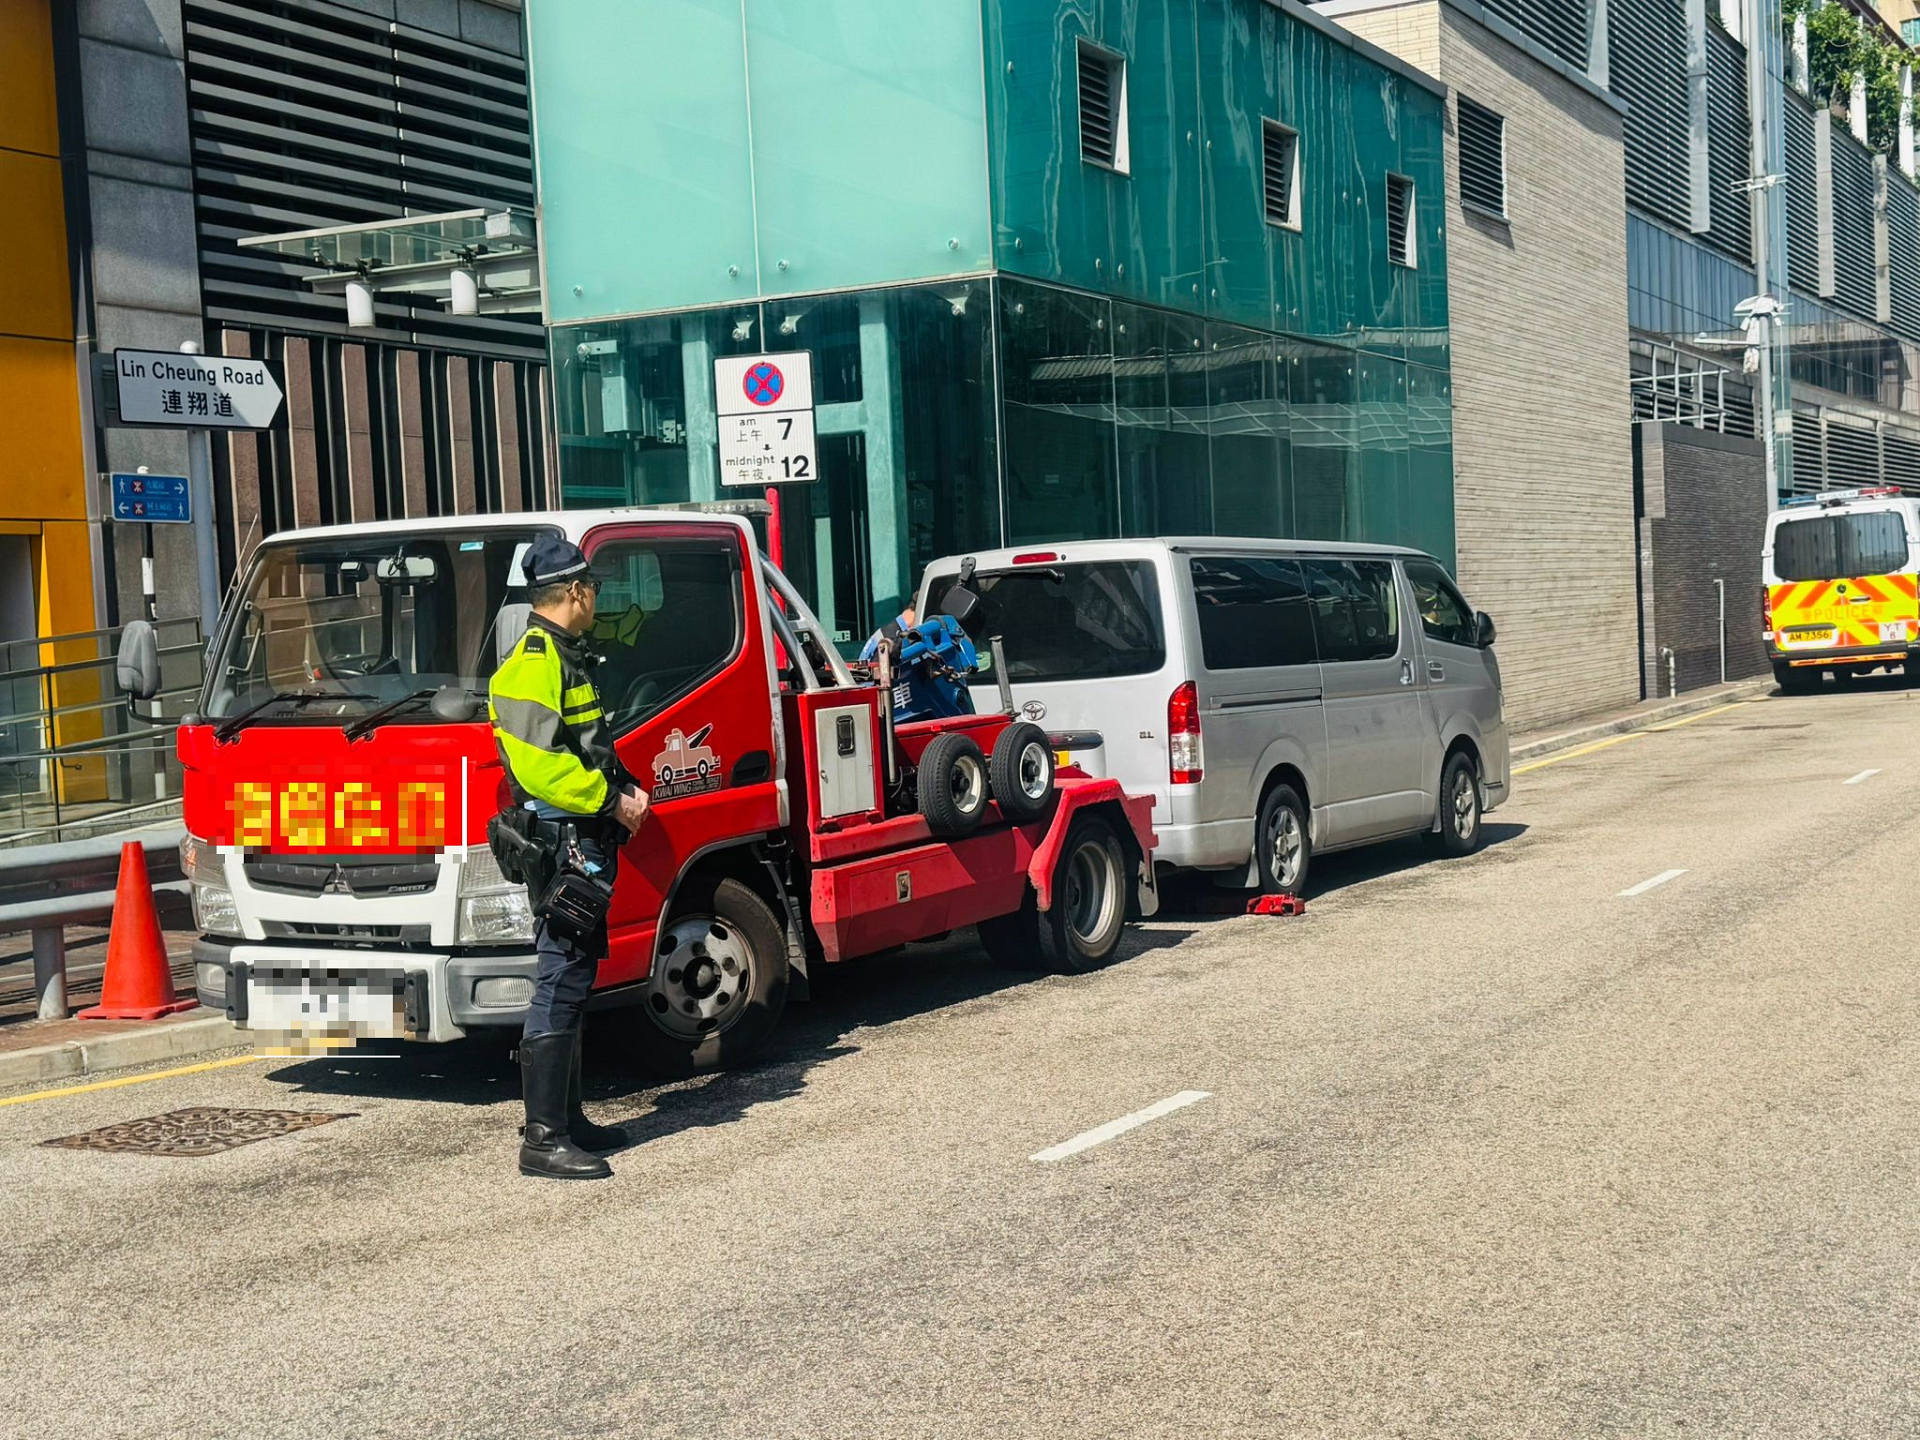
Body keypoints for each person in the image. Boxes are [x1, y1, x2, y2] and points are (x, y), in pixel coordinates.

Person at [489, 535, 650, 1180]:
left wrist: (623, 783)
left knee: (575, 973)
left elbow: (585, 744)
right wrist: (612, 801)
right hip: (566, 841)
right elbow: (541, 769)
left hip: (578, 839)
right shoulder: (535, 660)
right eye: (596, 589)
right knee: (560, 976)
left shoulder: (561, 653)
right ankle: (544, 1138)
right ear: (576, 591)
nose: (598, 599)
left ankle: (568, 1119)